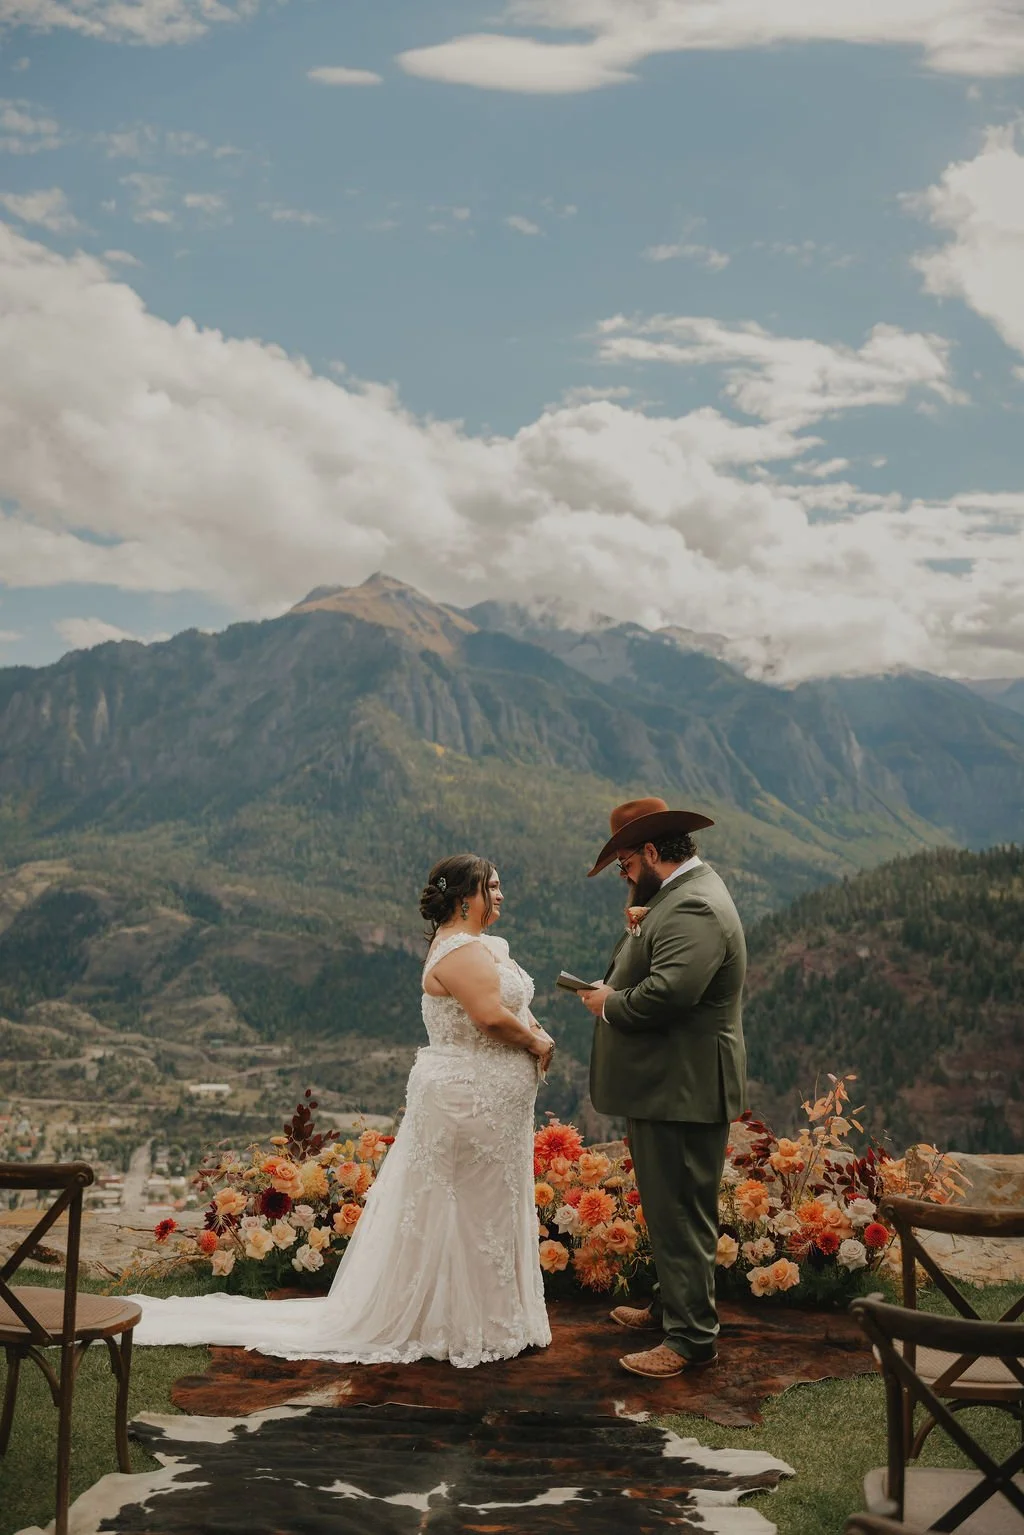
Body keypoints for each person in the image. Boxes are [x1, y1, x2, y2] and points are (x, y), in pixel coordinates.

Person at [128, 854, 554, 1369]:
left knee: (486, 1207)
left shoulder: (483, 947)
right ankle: (460, 1323)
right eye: (494, 886)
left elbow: (506, 1002)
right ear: (467, 896)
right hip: (468, 1100)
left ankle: (492, 1318)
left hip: (493, 1102)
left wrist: (534, 1032)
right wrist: (535, 1042)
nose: (502, 895)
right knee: (462, 1211)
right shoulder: (461, 952)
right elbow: (488, 1017)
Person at [579, 797, 746, 1379]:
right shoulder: (673, 899)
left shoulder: (693, 904)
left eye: (625, 864)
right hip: (670, 1085)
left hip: (683, 1086)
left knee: (681, 1210)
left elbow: (671, 992)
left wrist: (607, 1004)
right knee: (668, 1205)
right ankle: (671, 1306)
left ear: (652, 852)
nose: (624, 876)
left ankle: (691, 1339)